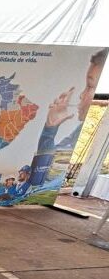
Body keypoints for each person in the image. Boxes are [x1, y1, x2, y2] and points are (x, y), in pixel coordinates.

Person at [30, 48, 108, 185]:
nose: (81, 95)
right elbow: (45, 174)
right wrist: (50, 129)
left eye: (90, 86)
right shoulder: (81, 130)